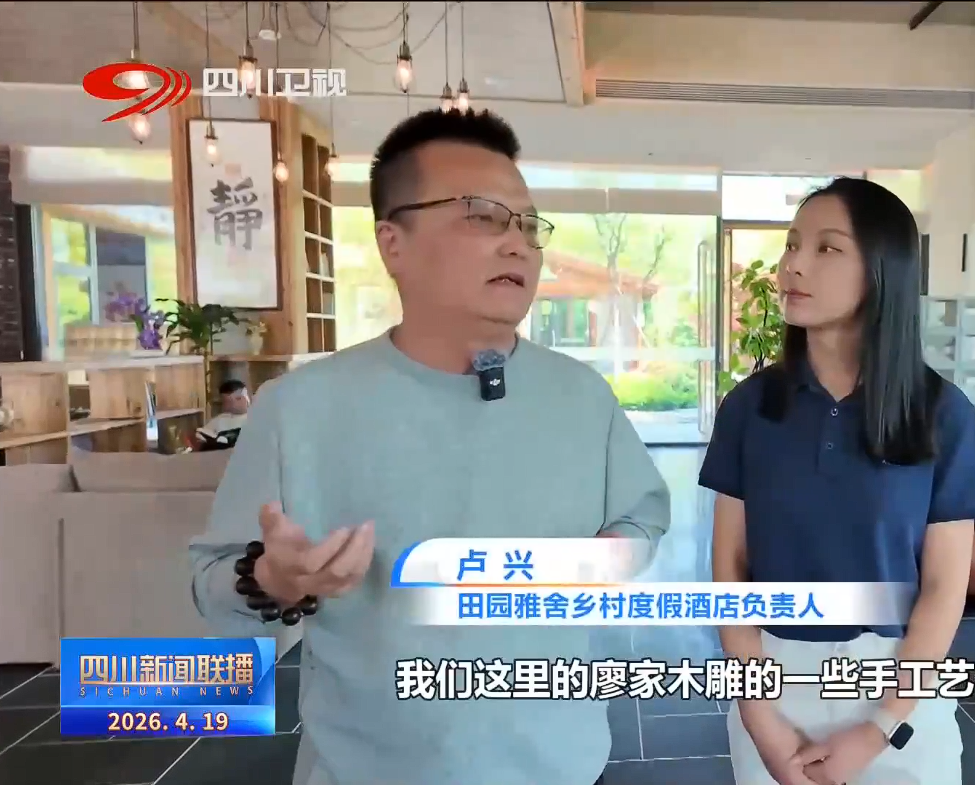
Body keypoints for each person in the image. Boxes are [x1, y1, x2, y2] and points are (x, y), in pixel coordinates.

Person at [188, 108, 671, 785]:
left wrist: (611, 556)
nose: (518, 244)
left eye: (529, 225)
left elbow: (642, 516)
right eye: (483, 216)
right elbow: (211, 584)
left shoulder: (583, 395)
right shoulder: (298, 406)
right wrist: (274, 577)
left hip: (558, 762)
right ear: (394, 243)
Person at [700, 177, 975, 785]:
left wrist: (880, 727)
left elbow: (944, 588)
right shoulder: (750, 408)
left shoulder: (942, 414)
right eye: (792, 244)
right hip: (774, 679)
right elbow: (729, 568)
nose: (793, 264)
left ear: (882, 270)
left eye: (827, 248)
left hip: (899, 688)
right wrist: (758, 715)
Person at [196, 379, 250, 449]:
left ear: (241, 399)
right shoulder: (218, 421)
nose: (225, 406)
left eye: (228, 402)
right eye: (224, 402)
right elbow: (202, 437)